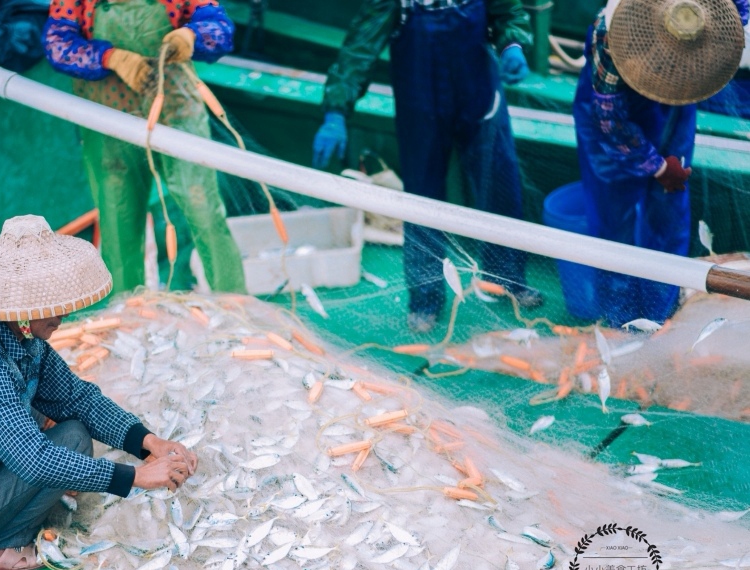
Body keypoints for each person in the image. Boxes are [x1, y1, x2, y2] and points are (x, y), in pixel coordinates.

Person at [0, 215, 197, 570]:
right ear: (22, 308)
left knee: (73, 428)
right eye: (50, 305)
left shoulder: (19, 335)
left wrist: (149, 443)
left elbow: (77, 398)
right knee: (72, 443)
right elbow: (34, 461)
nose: (63, 315)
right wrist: (136, 477)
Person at [313, 0, 542, 334]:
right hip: (420, 103)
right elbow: (361, 44)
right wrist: (336, 110)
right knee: (421, 200)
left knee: (500, 186)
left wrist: (513, 45)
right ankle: (425, 300)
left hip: (480, 97)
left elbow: (508, 12)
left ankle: (508, 279)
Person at [42, 0, 246, 295]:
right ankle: (127, 310)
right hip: (109, 122)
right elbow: (57, 44)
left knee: (204, 211)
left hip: (177, 114)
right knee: (119, 222)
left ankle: (234, 303)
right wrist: (111, 58)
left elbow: (219, 27)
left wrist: (190, 36)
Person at [574, 0, 748, 326]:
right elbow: (610, 121)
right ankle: (620, 320)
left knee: (669, 215)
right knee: (614, 224)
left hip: (676, 109)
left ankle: (661, 315)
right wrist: (658, 166)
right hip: (614, 119)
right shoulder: (609, 34)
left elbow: (739, 10)